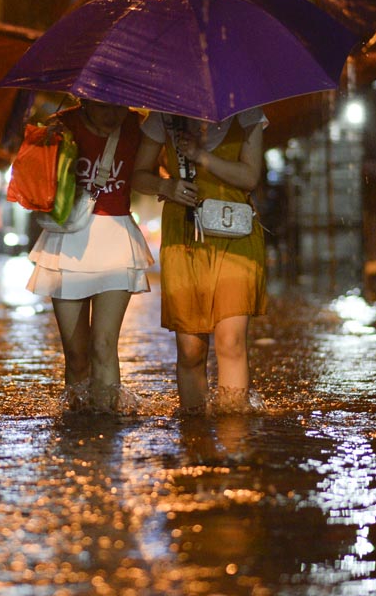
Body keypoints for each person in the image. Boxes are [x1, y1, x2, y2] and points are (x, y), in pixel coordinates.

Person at [132, 108, 268, 413]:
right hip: (185, 238)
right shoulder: (165, 116)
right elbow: (138, 174)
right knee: (190, 349)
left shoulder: (247, 114)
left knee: (230, 341)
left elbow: (249, 176)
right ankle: (195, 436)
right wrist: (166, 186)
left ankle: (234, 439)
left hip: (236, 238)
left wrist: (202, 156)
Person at [26, 99, 154, 412]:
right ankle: (78, 425)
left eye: (120, 106)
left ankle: (107, 425)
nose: (115, 113)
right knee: (76, 354)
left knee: (104, 344)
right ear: (84, 101)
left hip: (117, 240)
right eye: (106, 106)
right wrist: (43, 142)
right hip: (67, 240)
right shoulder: (61, 124)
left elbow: (152, 172)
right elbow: (31, 181)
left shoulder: (140, 126)